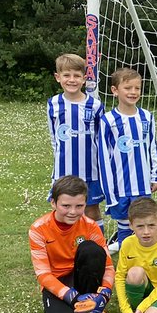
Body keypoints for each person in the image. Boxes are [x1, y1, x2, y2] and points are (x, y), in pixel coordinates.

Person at [28, 175, 115, 313]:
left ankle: (91, 302)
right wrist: (71, 297)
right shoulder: (38, 229)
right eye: (66, 206)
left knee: (91, 249)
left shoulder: (91, 226)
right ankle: (86, 310)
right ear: (53, 203)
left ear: (85, 204)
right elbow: (43, 274)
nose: (73, 212)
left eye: (79, 206)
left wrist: (105, 293)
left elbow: (108, 266)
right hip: (57, 281)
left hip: (82, 277)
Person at [99, 67, 157, 245]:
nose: (133, 92)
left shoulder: (146, 117)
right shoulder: (108, 121)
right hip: (121, 186)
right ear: (115, 90)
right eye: (128, 88)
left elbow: (152, 147)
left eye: (137, 88)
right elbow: (104, 158)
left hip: (142, 186)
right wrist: (110, 194)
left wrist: (155, 175)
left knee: (144, 225)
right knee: (125, 227)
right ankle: (127, 262)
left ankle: (146, 262)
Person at [47, 53, 105, 228]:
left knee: (91, 209)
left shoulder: (94, 105)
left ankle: (98, 244)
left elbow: (100, 138)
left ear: (84, 78)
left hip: (90, 170)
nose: (71, 80)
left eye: (77, 76)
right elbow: (53, 136)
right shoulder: (53, 104)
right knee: (63, 209)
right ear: (58, 77)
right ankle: (65, 244)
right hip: (63, 170)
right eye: (66, 75)